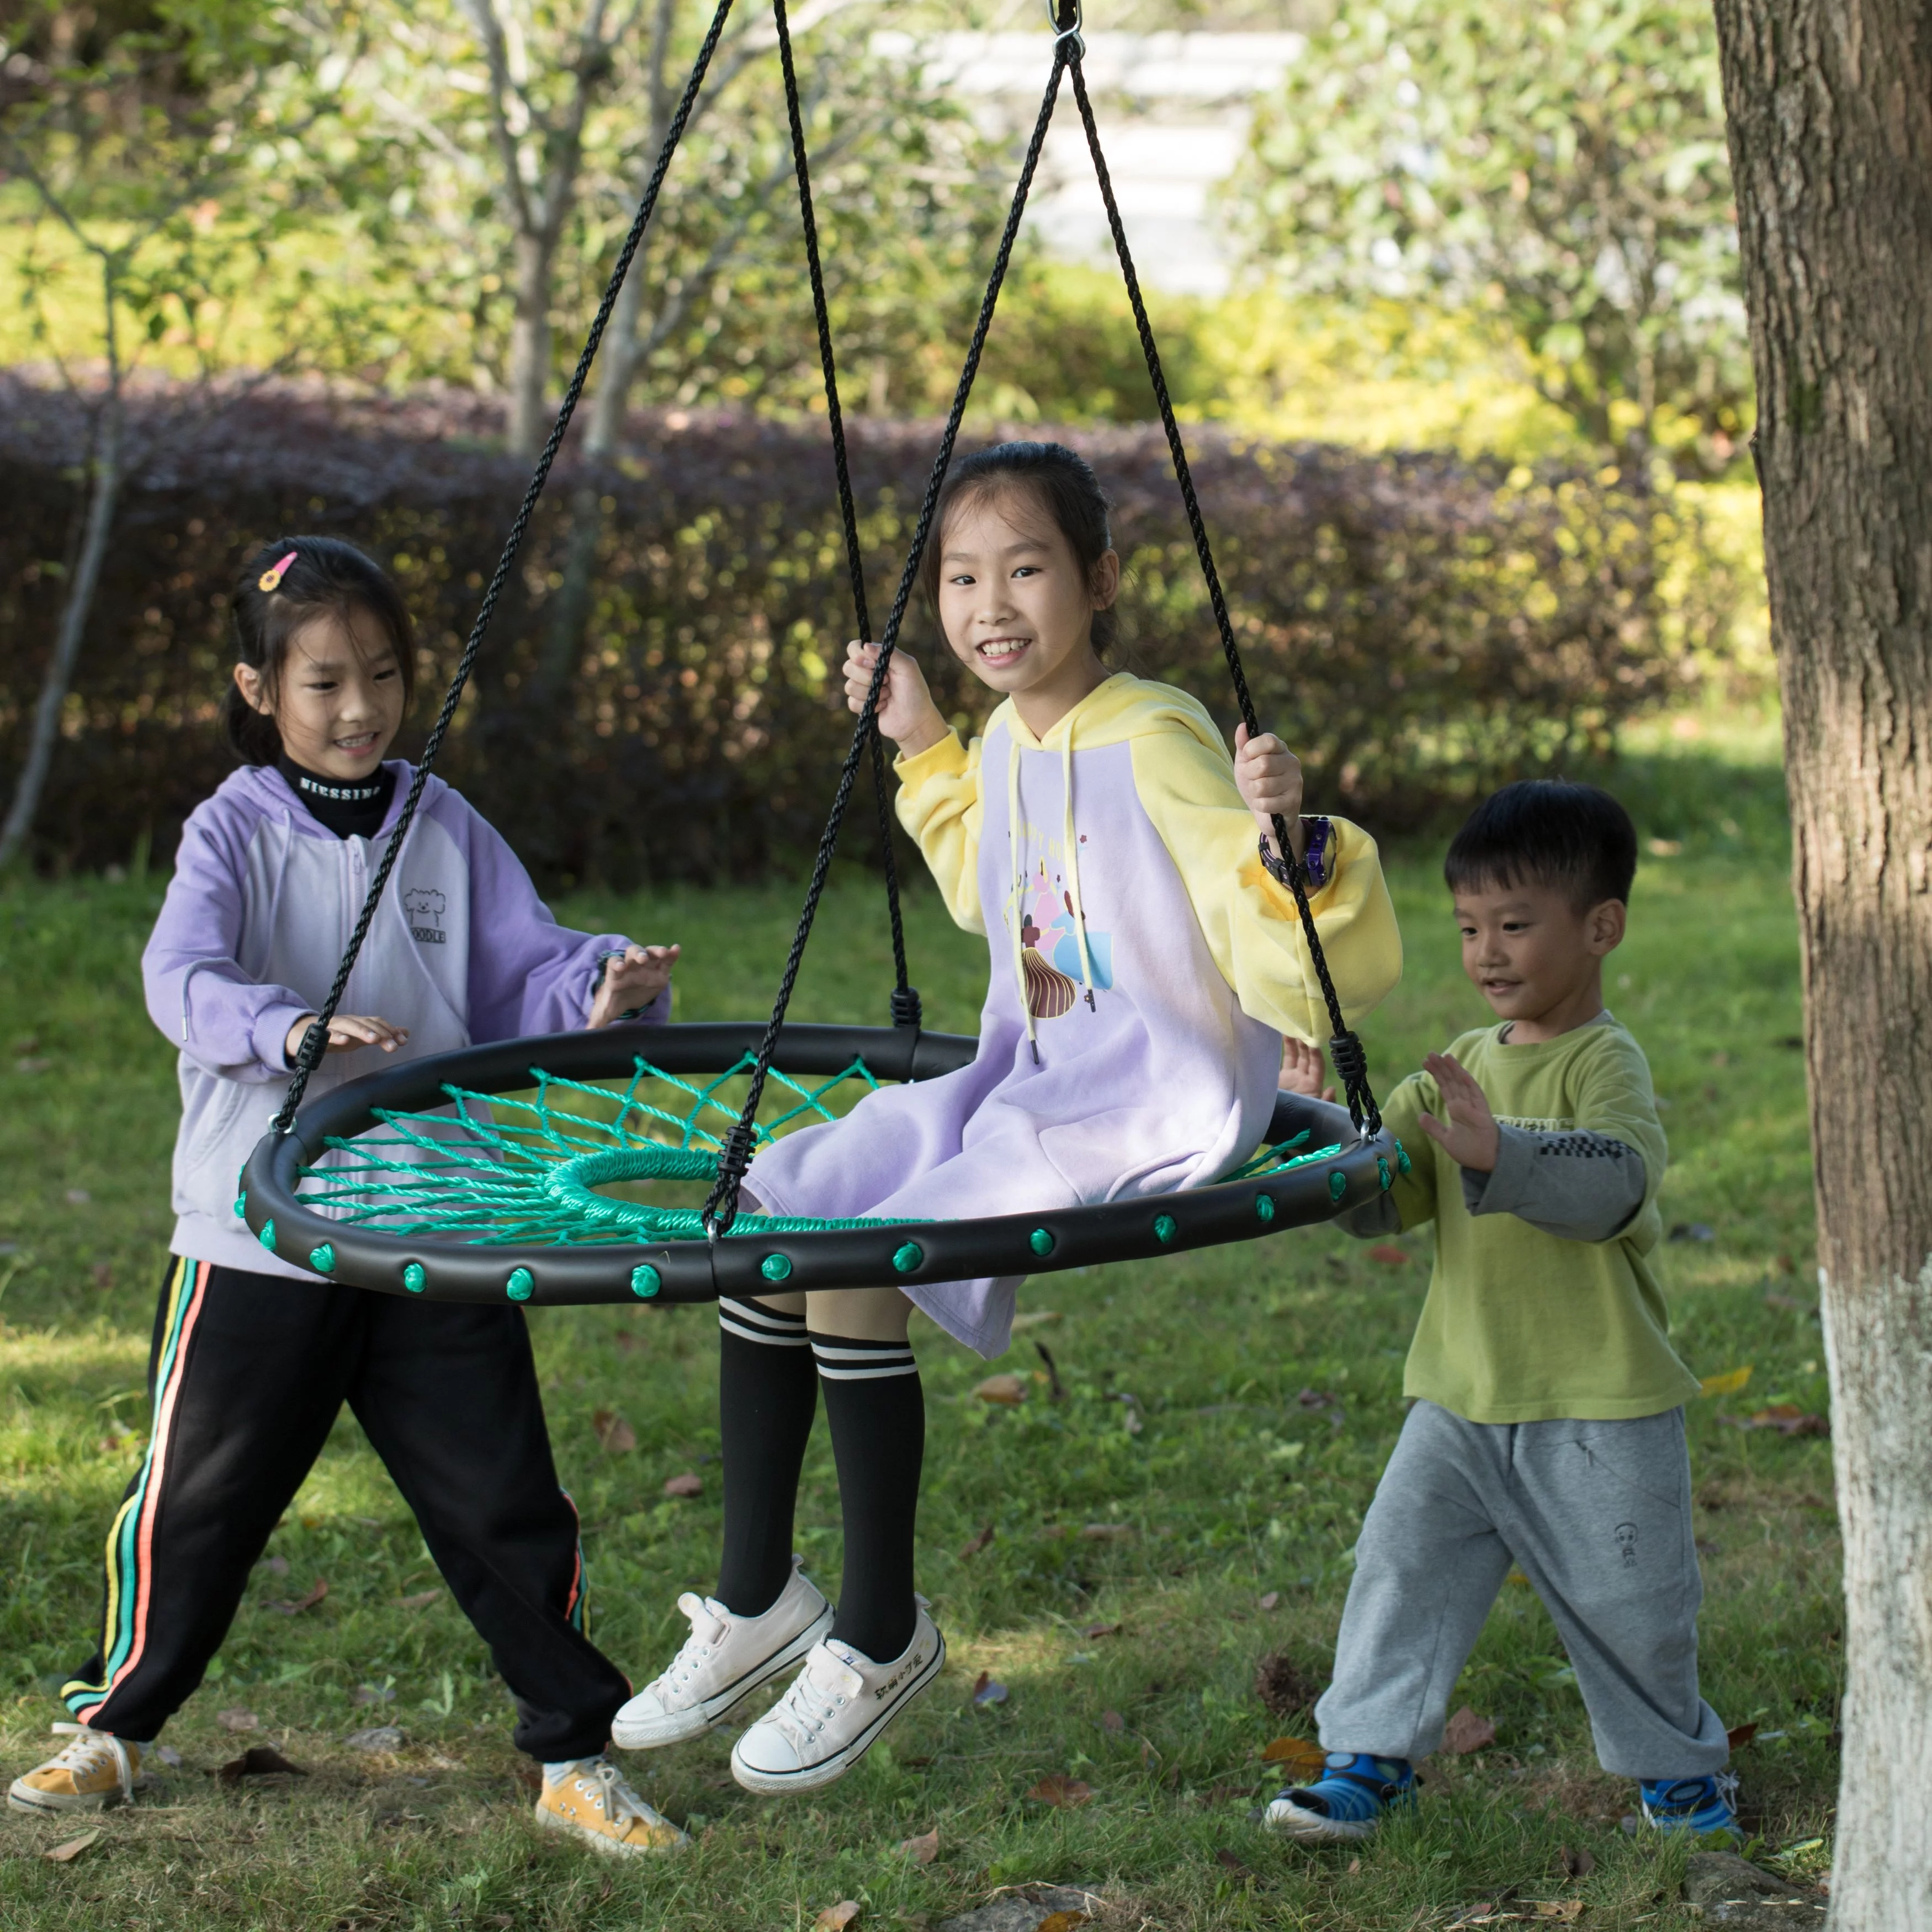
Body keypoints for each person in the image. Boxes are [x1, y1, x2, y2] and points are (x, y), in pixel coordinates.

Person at [612, 441, 1402, 1795]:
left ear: (1097, 580)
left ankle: (878, 1630)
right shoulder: (1009, 733)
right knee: (793, 1192)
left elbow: (1241, 890)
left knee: (871, 1255)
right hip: (1023, 1073)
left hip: (1142, 1093)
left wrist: (1296, 865)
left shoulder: (1154, 732)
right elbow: (997, 892)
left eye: (1024, 568)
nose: (991, 604)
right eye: (963, 578)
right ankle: (758, 1595)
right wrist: (923, 737)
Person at [8, 537, 688, 1859]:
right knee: (197, 1499)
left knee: (504, 1501)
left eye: (383, 675)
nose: (360, 707)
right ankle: (114, 1727)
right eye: (324, 681)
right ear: (261, 690)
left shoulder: (442, 819)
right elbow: (179, 978)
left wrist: (602, 983)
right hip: (255, 1230)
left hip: (432, 1223)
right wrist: (286, 1031)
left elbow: (525, 968)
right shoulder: (232, 830)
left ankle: (572, 1753)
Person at [1268, 779, 1737, 1843]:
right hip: (1461, 1398)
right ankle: (1367, 1763)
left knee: (1633, 1606)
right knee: (1401, 1568)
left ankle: (1680, 1779)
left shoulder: (1604, 1060)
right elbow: (1382, 1196)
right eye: (1471, 926)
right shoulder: (1454, 1073)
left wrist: (1505, 1154)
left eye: (1517, 926)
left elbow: (1619, 1182)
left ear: (1602, 927)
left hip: (1599, 1405)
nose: (1487, 952)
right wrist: (1310, 1134)